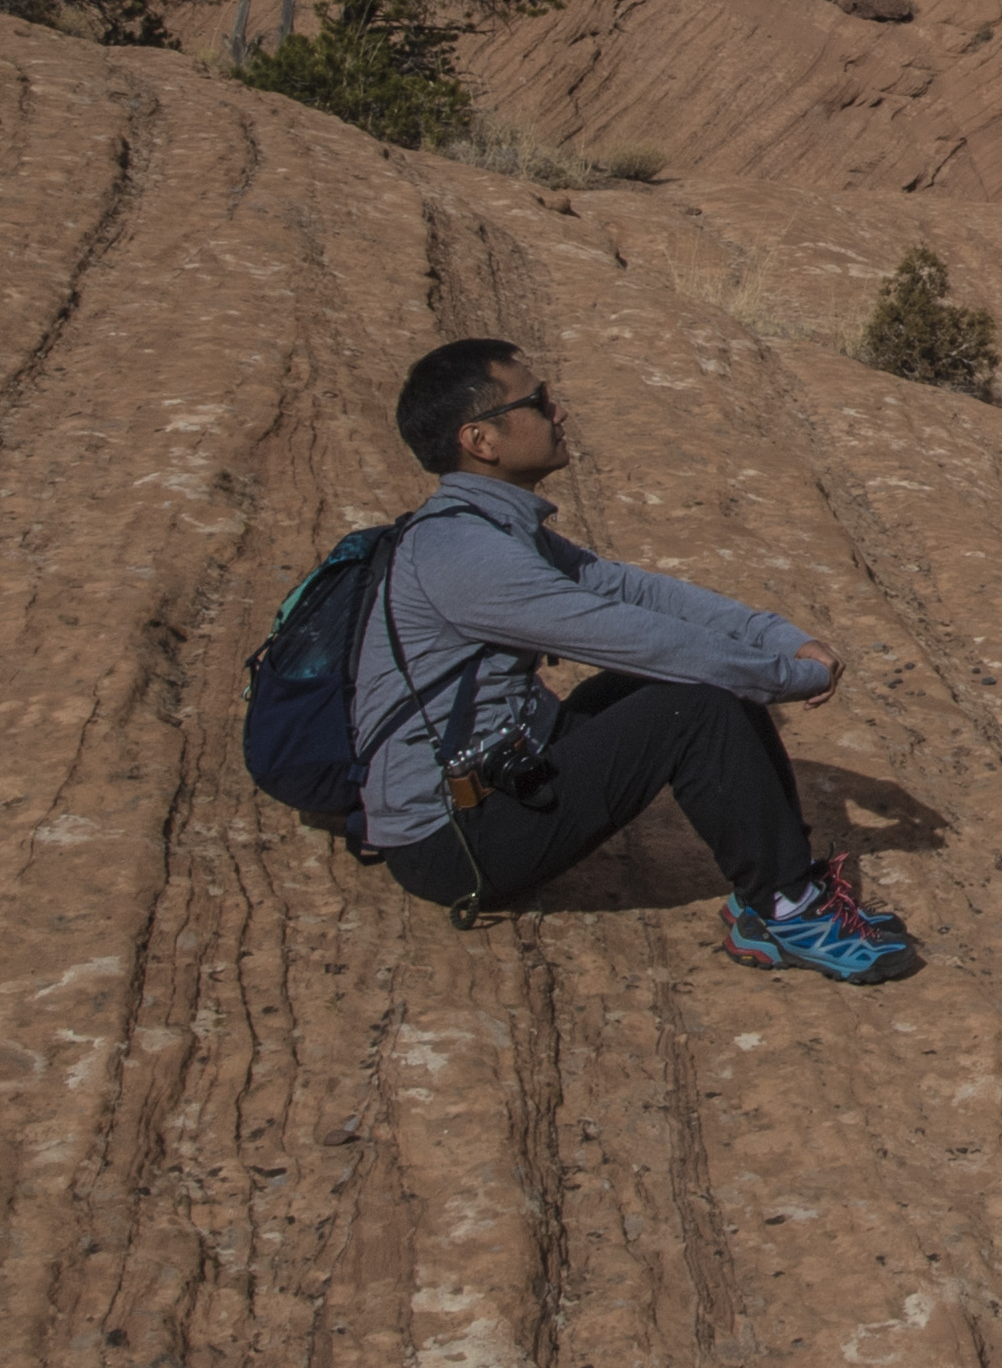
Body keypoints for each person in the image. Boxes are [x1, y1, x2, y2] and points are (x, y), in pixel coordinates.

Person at [362, 335, 912, 982]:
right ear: (481, 441)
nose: (558, 411)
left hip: (502, 768)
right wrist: (787, 678)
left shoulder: (484, 527)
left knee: (686, 682)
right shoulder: (467, 557)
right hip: (452, 841)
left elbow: (628, 589)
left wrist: (771, 635)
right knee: (695, 700)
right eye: (539, 401)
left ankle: (779, 891)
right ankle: (788, 909)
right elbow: (643, 636)